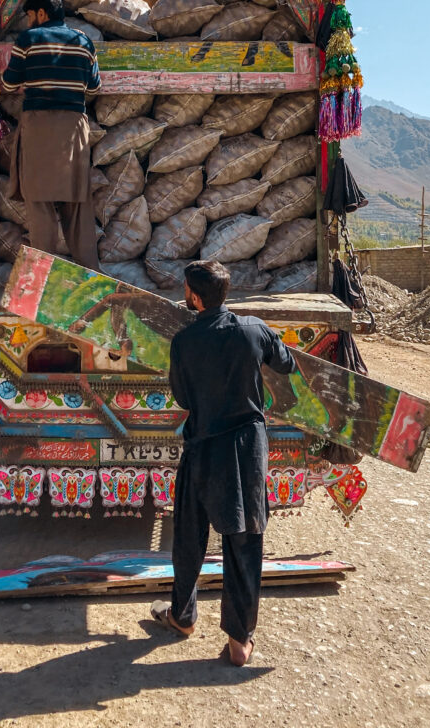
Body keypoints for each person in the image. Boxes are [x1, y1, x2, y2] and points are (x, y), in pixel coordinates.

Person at [150, 260, 296, 666]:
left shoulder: (184, 341)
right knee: (244, 540)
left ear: (194, 297)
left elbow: (182, 398)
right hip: (248, 448)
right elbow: (287, 364)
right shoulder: (254, 329)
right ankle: (239, 641)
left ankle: (182, 616)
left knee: (189, 535)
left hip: (203, 448)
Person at [0, 0, 100, 269]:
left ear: (41, 13)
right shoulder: (84, 42)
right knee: (77, 204)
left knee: (40, 203)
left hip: (39, 127)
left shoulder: (28, 39)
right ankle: (90, 273)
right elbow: (94, 86)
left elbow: (9, 84)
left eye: (30, 15)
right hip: (74, 129)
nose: (29, 21)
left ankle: (43, 274)